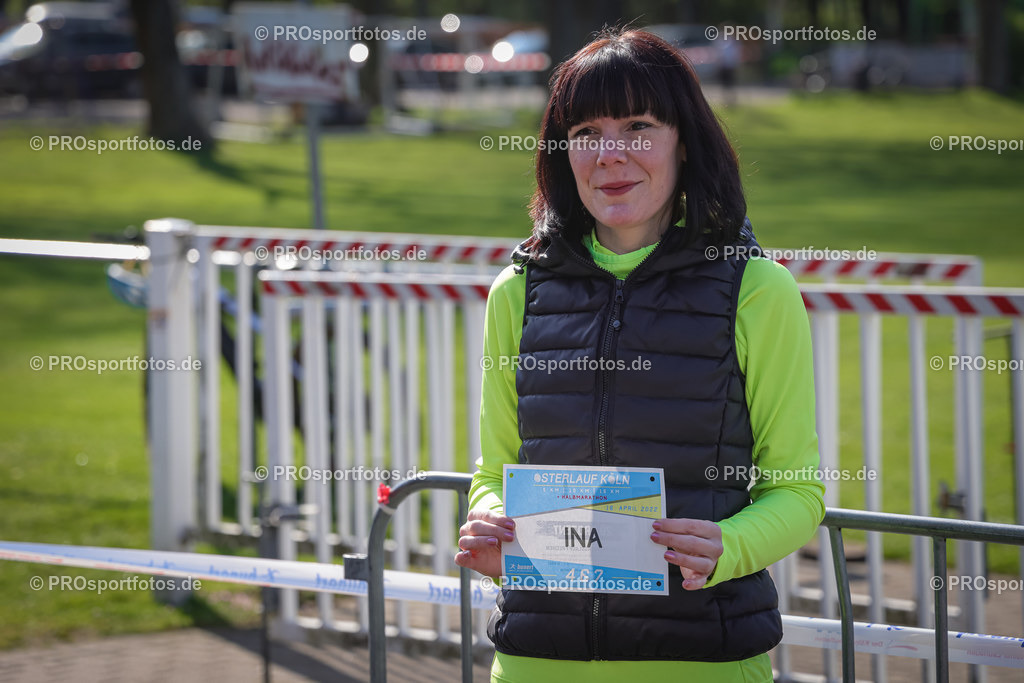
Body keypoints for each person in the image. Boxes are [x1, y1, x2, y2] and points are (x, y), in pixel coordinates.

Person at [455, 28, 824, 683]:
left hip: (704, 661)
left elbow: (796, 490)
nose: (611, 155)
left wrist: (729, 546)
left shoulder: (757, 289)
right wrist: (488, 520)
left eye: (638, 126)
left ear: (684, 140)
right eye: (587, 133)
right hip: (538, 660)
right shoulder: (516, 293)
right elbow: (497, 468)